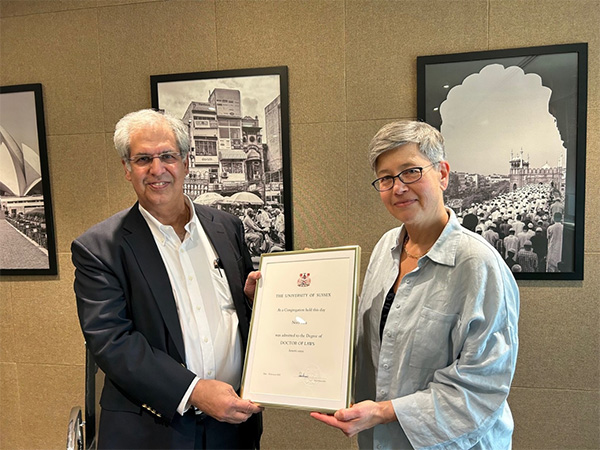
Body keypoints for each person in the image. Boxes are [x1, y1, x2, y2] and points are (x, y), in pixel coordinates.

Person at [311, 121, 519, 449]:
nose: (398, 187)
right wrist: (313, 293)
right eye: (386, 178)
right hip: (380, 440)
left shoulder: (477, 263)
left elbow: (482, 384)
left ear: (443, 174)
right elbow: (374, 339)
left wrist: (385, 411)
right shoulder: (384, 248)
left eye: (411, 172)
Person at [71, 109, 263, 449]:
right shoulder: (98, 248)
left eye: (167, 156)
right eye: (143, 158)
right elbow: (112, 341)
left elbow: (236, 318)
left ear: (186, 162)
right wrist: (195, 391)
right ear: (127, 170)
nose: (157, 169)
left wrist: (253, 301)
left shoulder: (226, 227)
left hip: (234, 427)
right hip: (153, 430)